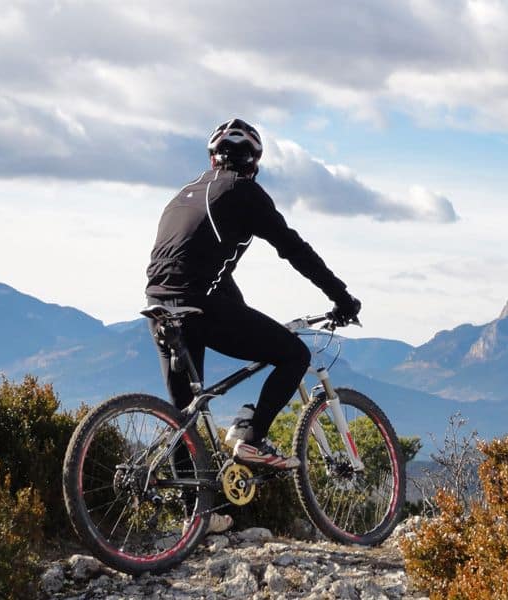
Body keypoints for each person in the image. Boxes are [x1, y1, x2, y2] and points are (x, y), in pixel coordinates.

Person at [144, 118, 360, 531]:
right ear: (254, 163)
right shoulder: (245, 192)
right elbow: (294, 249)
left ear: (212, 157)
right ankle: (251, 437)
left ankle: (194, 520)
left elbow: (201, 263)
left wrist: (245, 314)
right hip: (198, 305)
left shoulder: (184, 193)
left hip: (157, 304)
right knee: (294, 353)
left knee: (183, 414)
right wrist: (341, 297)